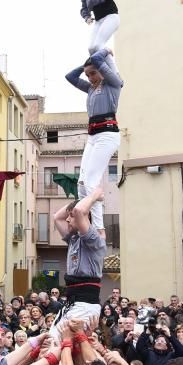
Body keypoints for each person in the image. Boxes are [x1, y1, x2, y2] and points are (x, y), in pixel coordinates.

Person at [65, 51, 122, 234]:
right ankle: (86, 222)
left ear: (102, 71)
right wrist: (84, 67)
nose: (90, 78)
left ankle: (99, 228)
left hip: (107, 135)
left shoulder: (113, 84)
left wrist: (103, 52)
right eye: (88, 75)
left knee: (90, 183)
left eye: (93, 73)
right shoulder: (90, 88)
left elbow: (98, 59)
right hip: (93, 137)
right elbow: (70, 77)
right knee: (82, 183)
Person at [50, 188, 106, 340]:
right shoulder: (73, 239)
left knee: (56, 344)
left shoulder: (93, 239)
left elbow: (79, 211)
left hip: (85, 304)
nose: (67, 219)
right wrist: (83, 195)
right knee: (50, 340)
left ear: (85, 217)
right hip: (73, 303)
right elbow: (57, 217)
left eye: (71, 216)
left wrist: (95, 194)